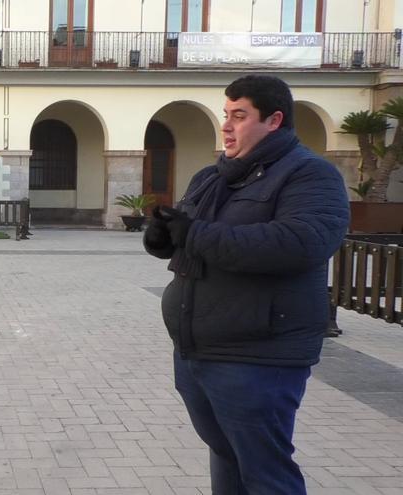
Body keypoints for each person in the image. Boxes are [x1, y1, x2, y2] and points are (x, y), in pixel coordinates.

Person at [143, 75, 349, 494]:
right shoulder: (212, 176)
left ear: (274, 120)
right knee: (227, 456)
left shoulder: (310, 175)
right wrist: (162, 238)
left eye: (239, 116)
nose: (227, 126)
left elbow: (300, 243)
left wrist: (194, 234)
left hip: (258, 356)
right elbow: (190, 233)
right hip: (197, 351)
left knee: (265, 472)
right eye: (226, 115)